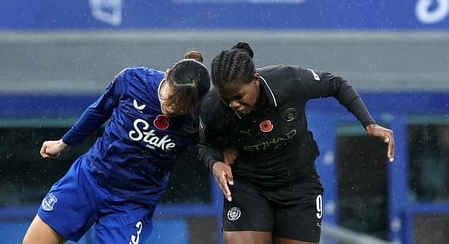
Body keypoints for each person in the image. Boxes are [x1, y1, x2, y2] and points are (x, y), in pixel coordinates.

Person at [198, 42, 395, 244]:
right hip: (248, 186)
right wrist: (215, 163)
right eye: (227, 99)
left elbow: (336, 84)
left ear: (255, 80)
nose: (233, 105)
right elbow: (205, 144)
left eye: (239, 96)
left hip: (298, 186)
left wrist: (369, 124)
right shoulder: (213, 106)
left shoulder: (289, 80)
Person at [22, 51, 211, 244]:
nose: (171, 108)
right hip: (89, 179)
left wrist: (218, 164)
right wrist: (64, 142)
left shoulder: (200, 120)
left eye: (181, 107)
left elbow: (209, 146)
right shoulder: (133, 80)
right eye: (170, 98)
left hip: (132, 204)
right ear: (167, 73)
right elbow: (99, 110)